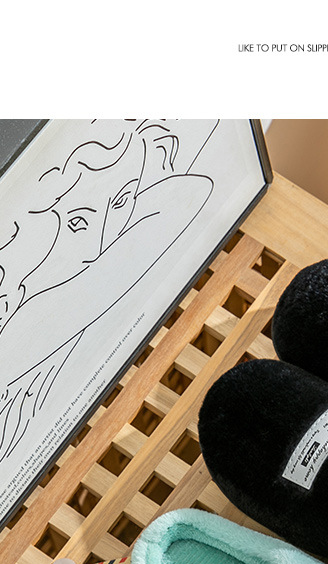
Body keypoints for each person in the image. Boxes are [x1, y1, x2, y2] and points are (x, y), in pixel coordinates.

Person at [0, 119, 215, 459]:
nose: (101, 243)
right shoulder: (27, 313)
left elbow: (191, 191)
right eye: (78, 222)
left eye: (122, 202)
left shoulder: (83, 289)